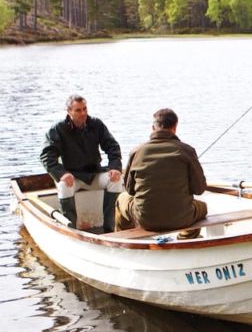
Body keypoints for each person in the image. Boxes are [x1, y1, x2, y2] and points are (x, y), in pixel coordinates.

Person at [115, 107, 208, 236]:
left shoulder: (137, 152)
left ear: (153, 128)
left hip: (145, 220)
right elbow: (200, 189)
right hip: (182, 218)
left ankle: (124, 241)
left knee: (121, 199)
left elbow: (130, 190)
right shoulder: (187, 151)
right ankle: (186, 239)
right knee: (201, 207)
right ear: (175, 127)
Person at [40, 94, 123, 233]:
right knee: (64, 185)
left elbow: (112, 147)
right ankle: (71, 230)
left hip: (93, 174)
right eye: (78, 110)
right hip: (71, 177)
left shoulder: (96, 124)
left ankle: (110, 229)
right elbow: (47, 156)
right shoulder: (57, 129)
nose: (83, 113)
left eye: (85, 109)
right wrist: (61, 174)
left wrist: (115, 167)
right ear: (69, 111)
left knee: (116, 180)